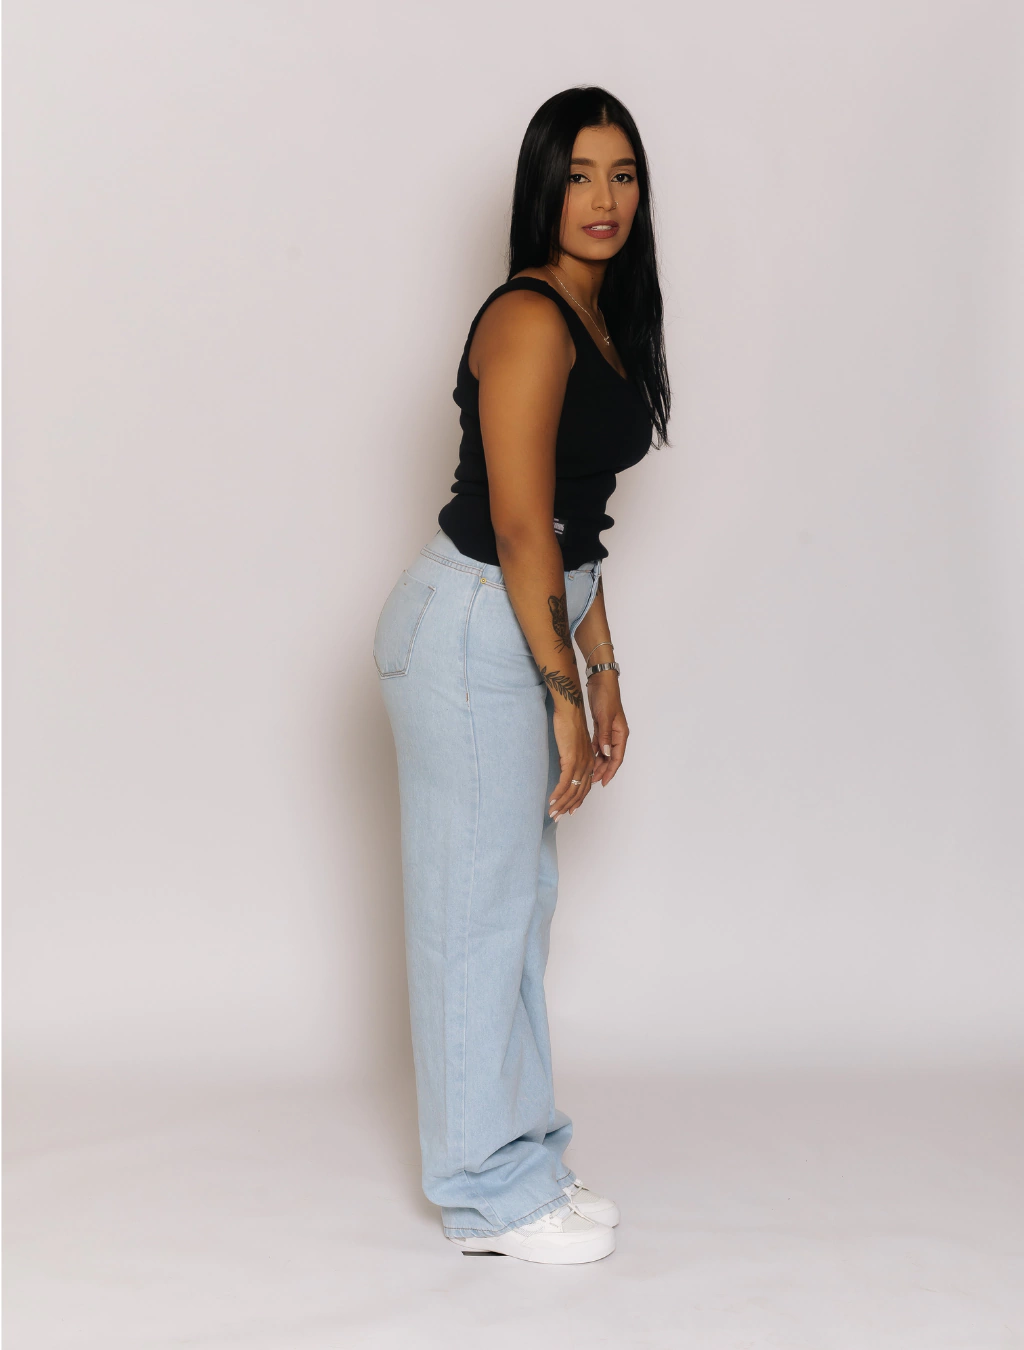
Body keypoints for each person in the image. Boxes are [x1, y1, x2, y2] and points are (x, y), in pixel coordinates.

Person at [372, 86, 670, 1264]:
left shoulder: (603, 316)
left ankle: (520, 1156)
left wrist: (603, 667)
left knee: (516, 908)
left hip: (529, 618)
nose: (603, 199)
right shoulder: (530, 317)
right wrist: (563, 694)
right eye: (579, 174)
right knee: (474, 916)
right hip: (469, 634)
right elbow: (516, 521)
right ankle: (484, 1196)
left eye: (622, 175)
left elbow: (576, 524)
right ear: (542, 188)